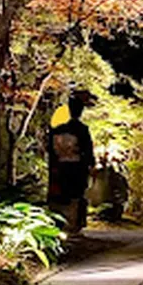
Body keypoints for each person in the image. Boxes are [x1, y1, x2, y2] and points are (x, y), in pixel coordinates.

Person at [47, 92, 95, 234]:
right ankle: (73, 225)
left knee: (59, 196)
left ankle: (59, 224)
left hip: (59, 166)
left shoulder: (56, 130)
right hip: (77, 167)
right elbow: (87, 149)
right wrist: (91, 164)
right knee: (76, 195)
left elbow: (50, 150)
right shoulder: (82, 129)